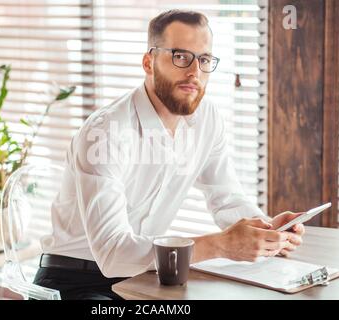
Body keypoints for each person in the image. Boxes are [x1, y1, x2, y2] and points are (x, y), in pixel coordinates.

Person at [33, 9, 305, 300]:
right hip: (74, 280)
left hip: (145, 277)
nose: (194, 72)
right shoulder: (106, 132)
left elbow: (226, 197)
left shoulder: (207, 118)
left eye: (203, 60)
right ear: (149, 62)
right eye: (180, 56)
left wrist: (264, 230)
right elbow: (112, 253)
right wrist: (221, 245)